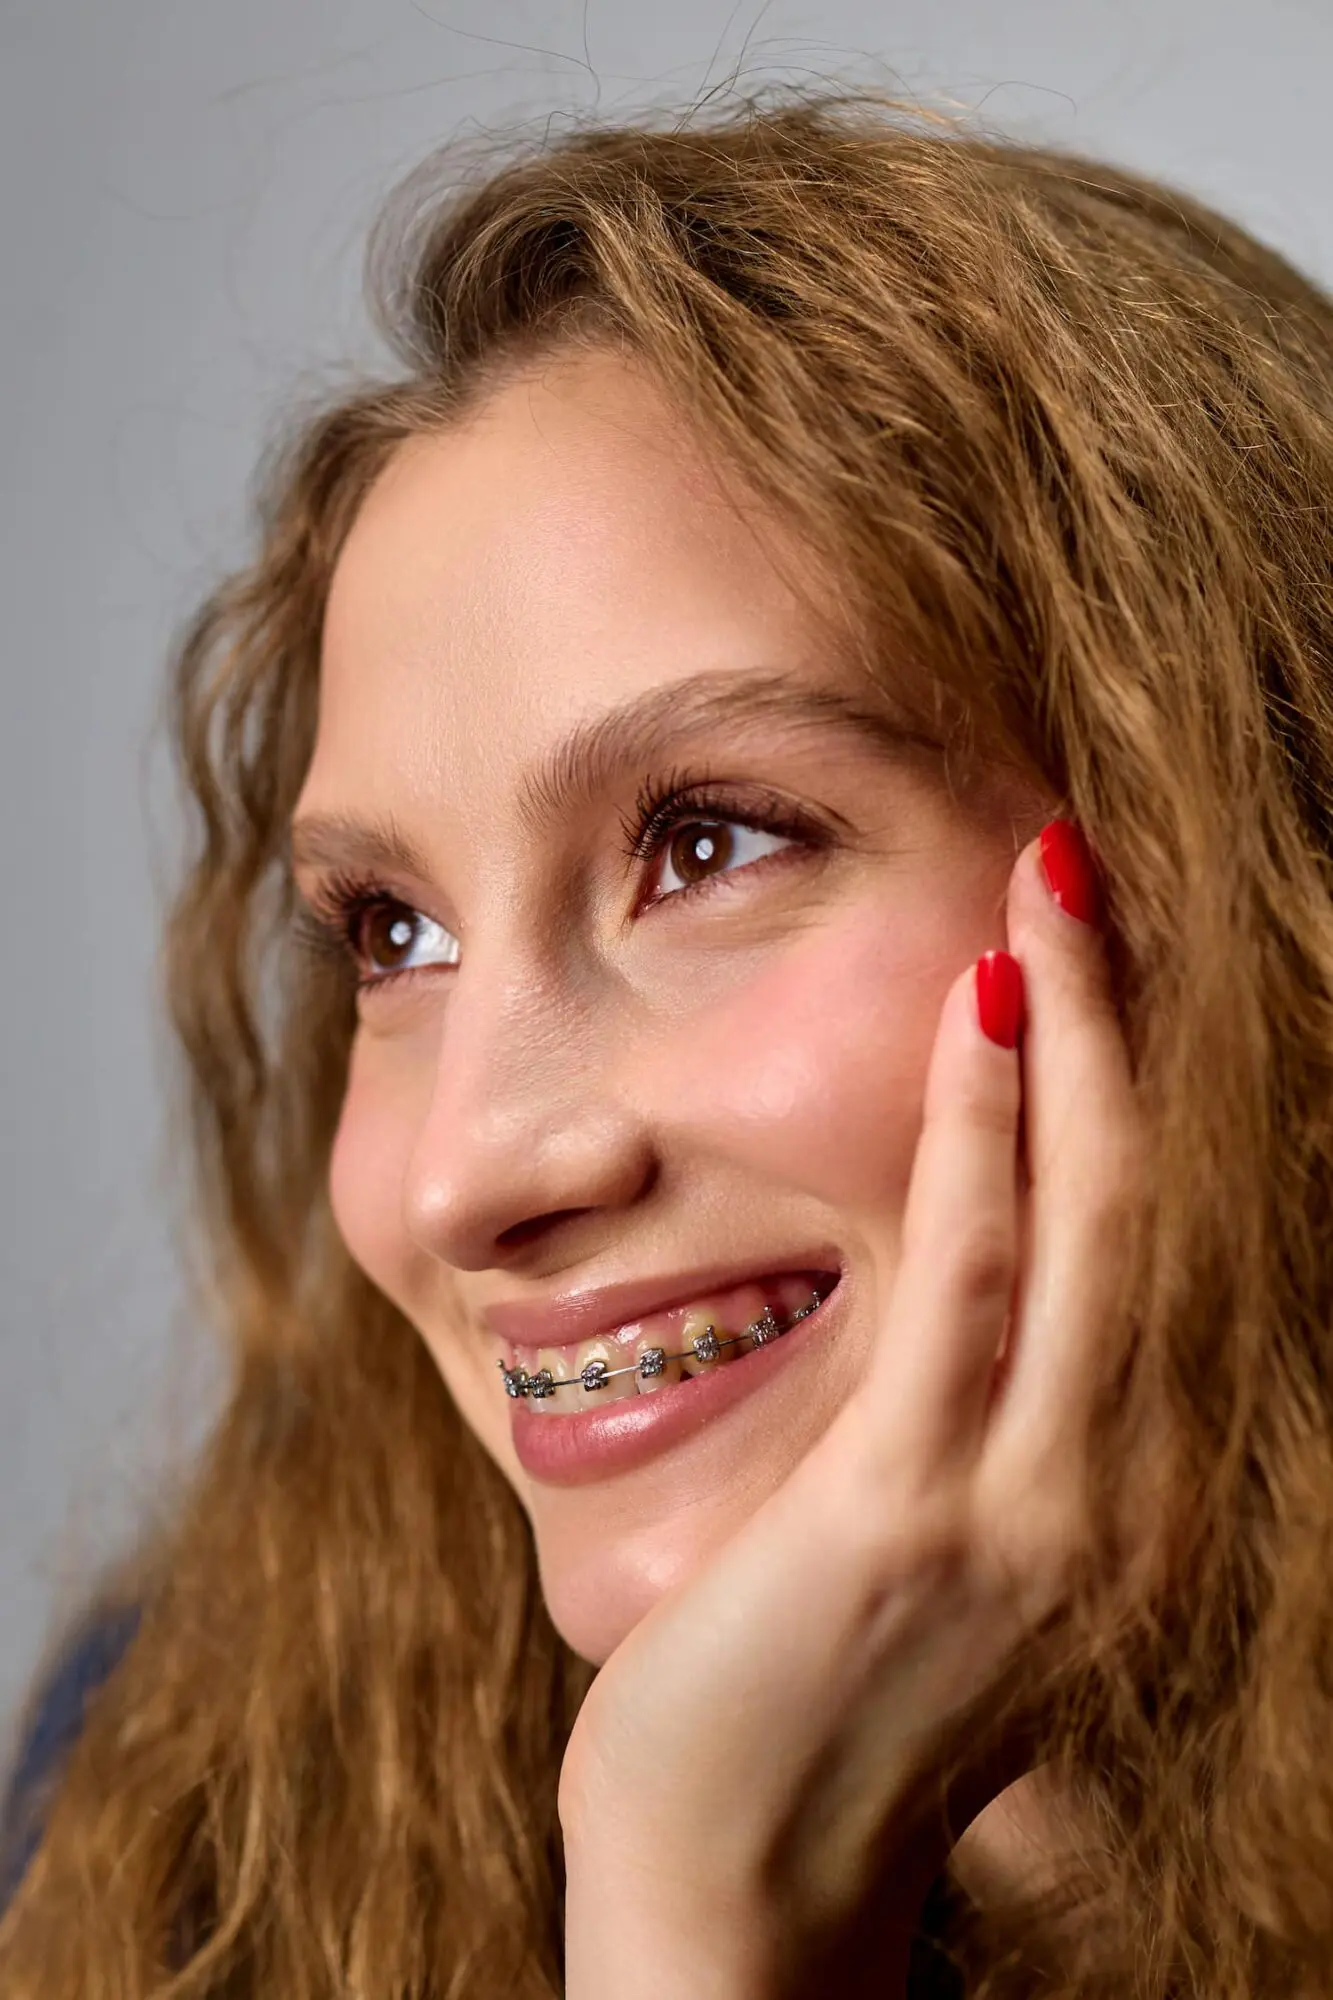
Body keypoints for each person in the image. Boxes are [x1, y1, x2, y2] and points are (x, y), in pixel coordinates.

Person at [3, 83, 1332, 1999]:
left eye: (705, 845)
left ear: (1237, 873)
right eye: (398, 933)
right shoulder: (195, 1822)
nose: (466, 1175)